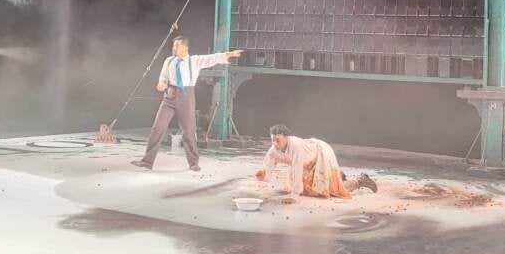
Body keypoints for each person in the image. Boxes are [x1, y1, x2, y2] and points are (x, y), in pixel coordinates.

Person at [132, 36, 242, 172]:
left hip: (186, 97)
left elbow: (212, 58)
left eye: (176, 46)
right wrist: (161, 84)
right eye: (173, 46)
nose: (173, 48)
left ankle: (193, 163)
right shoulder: (169, 61)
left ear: (184, 47)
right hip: (169, 96)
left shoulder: (194, 61)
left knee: (189, 131)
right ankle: (147, 161)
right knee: (158, 128)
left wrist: (229, 54)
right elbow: (163, 78)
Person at [254, 124, 377, 203]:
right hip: (305, 162)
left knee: (330, 190)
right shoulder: (274, 149)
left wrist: (294, 196)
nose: (275, 143)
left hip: (319, 153)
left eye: (278, 140)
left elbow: (297, 169)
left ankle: (361, 180)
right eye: (272, 140)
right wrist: (264, 174)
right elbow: (269, 163)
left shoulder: (296, 146)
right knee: (305, 189)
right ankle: (338, 175)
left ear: (286, 138)